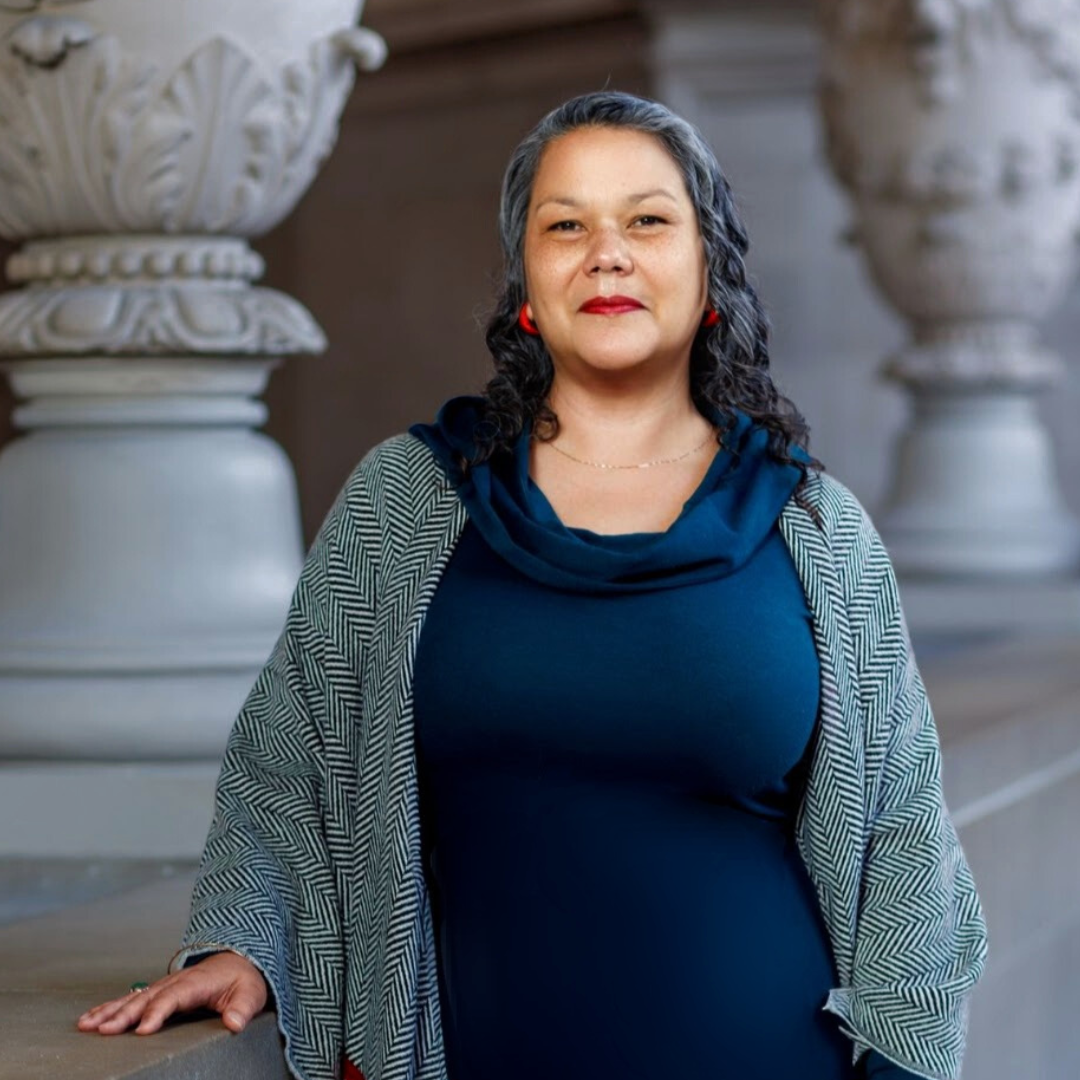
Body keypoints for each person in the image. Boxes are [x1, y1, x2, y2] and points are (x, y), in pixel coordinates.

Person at [78, 91, 987, 1080]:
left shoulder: (813, 527)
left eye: (647, 219)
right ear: (527, 287)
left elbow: (903, 836)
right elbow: (284, 759)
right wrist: (239, 941)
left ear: (708, 272)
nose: (606, 252)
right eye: (567, 226)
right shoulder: (410, 501)